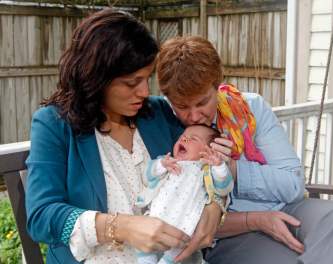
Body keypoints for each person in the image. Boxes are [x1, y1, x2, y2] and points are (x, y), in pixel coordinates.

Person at [25, 10, 224, 264]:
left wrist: (215, 206)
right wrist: (122, 227)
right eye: (132, 82)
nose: (144, 91)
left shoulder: (157, 114)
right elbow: (41, 217)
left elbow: (210, 160)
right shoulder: (54, 125)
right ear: (97, 77)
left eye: (147, 79)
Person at [156, 35, 333, 264]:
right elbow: (175, 213)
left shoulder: (249, 108)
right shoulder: (165, 125)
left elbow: (294, 185)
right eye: (182, 106)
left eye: (202, 102)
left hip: (287, 207)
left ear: (217, 85)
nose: (194, 116)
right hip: (233, 233)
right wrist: (256, 219)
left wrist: (234, 168)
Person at [135, 124, 233, 264]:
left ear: (209, 151)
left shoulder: (206, 169)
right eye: (182, 137)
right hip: (159, 213)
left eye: (193, 139)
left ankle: (167, 261)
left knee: (178, 249)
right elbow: (148, 175)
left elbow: (224, 188)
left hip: (186, 219)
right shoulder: (169, 161)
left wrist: (219, 166)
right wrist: (162, 165)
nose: (184, 140)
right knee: (144, 240)